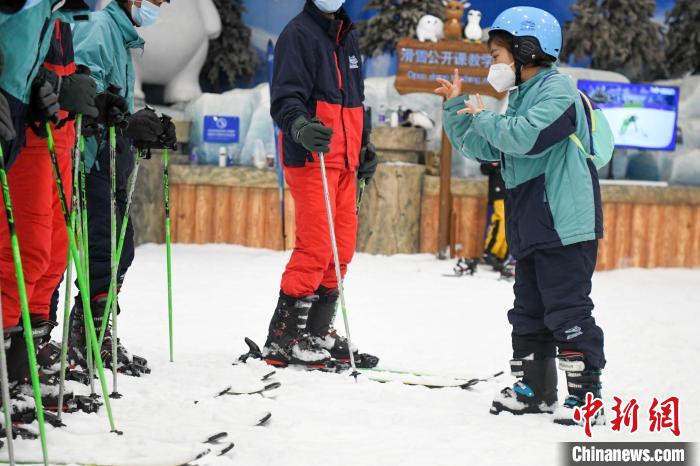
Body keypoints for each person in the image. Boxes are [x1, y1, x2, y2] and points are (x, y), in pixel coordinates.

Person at [437, 6, 606, 426]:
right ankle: (535, 389)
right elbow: (488, 147)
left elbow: (525, 139)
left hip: (565, 225)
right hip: (532, 225)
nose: (492, 65)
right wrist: (456, 108)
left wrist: (487, 116)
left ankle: (588, 398)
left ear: (526, 50)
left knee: (567, 310)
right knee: (528, 310)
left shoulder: (558, 93)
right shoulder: (521, 99)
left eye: (496, 55)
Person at [265, 0, 378, 367]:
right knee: (315, 247)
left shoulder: (347, 35)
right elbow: (285, 99)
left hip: (345, 161)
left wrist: (364, 146)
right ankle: (285, 336)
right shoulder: (298, 34)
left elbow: (356, 100)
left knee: (340, 250)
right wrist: (299, 126)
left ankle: (317, 331)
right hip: (313, 157)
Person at [67, 0, 176, 376]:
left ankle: (95, 327)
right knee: (104, 245)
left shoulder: (121, 37)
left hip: (113, 160)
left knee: (120, 246)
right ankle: (86, 337)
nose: (159, 6)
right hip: (92, 157)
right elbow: (85, 87)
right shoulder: (100, 27)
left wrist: (141, 126)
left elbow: (114, 103)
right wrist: (114, 114)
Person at [0, 0, 97, 418]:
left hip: (40, 129)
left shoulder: (61, 15)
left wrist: (70, 93)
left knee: (45, 256)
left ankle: (19, 371)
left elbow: (29, 63)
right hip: (25, 129)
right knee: (19, 258)